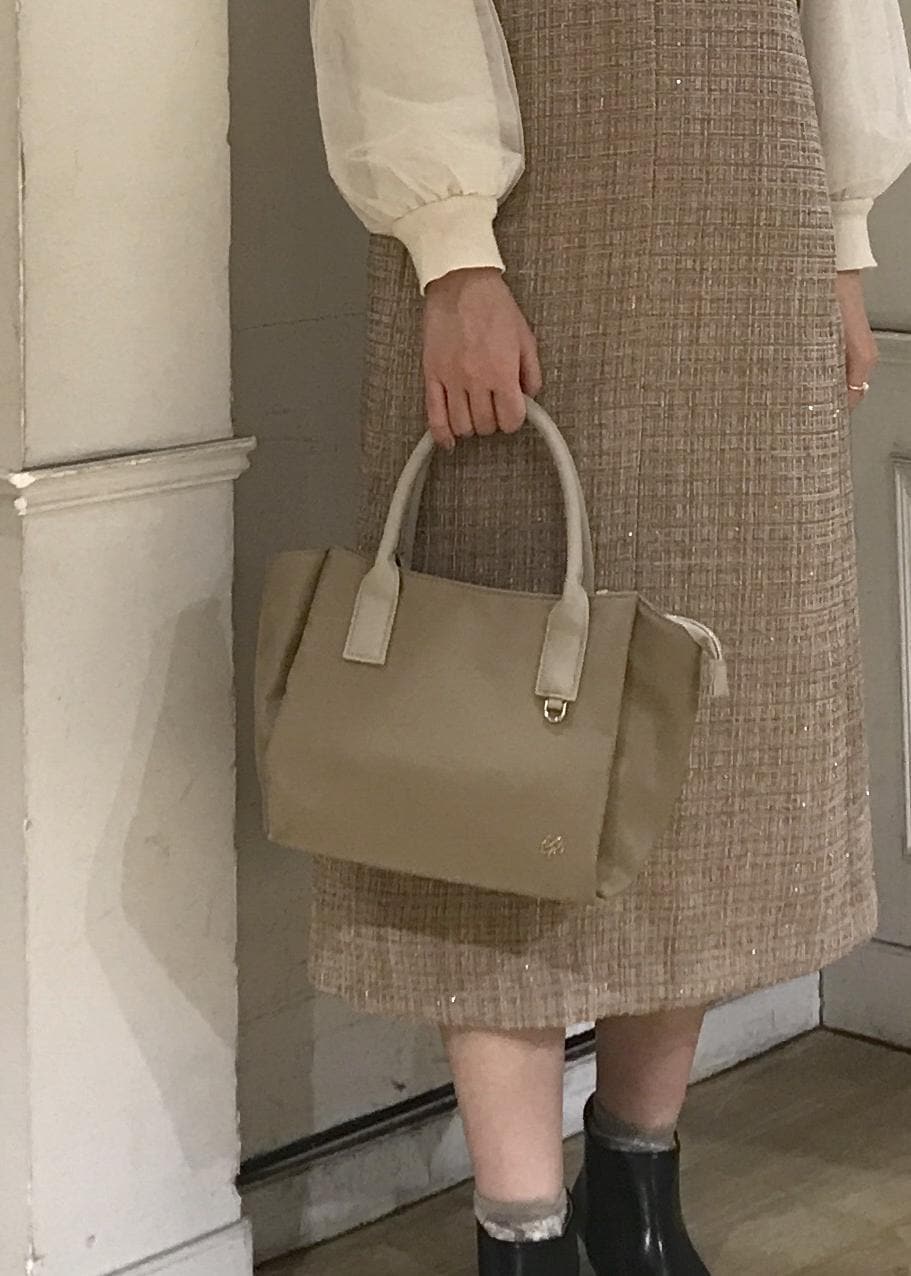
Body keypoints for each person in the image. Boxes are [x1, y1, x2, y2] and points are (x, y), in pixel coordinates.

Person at [303, 2, 911, 1272]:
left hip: (754, 222)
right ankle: (518, 1231)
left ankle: (635, 1193)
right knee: (490, 758)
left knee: (712, 733)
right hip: (527, 238)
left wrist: (840, 242)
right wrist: (453, 254)